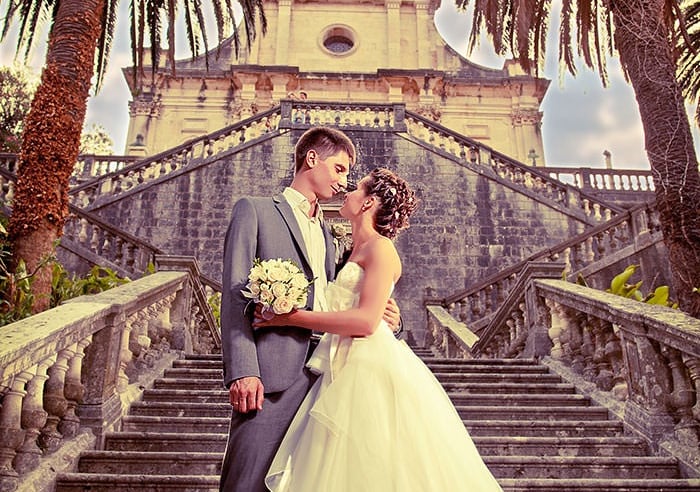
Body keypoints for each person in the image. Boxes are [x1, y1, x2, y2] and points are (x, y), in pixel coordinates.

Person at [254, 168, 503, 492]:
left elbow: (366, 322)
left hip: (367, 367)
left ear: (368, 202)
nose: (347, 190)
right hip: (340, 364)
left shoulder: (380, 248)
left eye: (355, 188)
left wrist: (289, 317)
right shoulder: (347, 252)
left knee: (372, 463)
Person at [219, 127, 400, 492]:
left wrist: (390, 317)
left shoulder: (332, 233)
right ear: (311, 159)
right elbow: (236, 294)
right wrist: (243, 370)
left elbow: (346, 297)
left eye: (349, 174)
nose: (344, 182)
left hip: (329, 376)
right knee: (246, 479)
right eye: (339, 169)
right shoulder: (254, 210)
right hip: (271, 373)